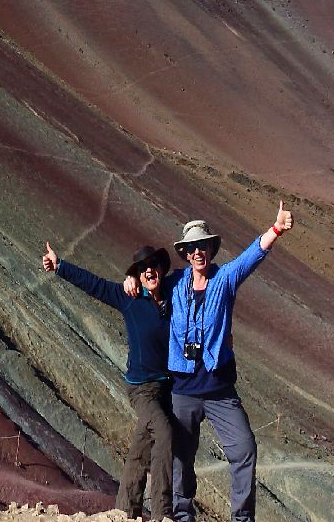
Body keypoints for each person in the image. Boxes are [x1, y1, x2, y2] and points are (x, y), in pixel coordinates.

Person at [138, 204, 292, 522]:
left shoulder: (225, 279)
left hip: (219, 387)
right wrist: (132, 284)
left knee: (244, 449)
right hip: (183, 389)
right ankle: (182, 515)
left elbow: (252, 256)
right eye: (192, 248)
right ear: (185, 253)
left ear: (211, 248)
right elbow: (147, 282)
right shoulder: (174, 283)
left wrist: (275, 229)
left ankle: (242, 518)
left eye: (203, 246)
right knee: (181, 457)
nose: (198, 252)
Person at [43, 241, 175, 519]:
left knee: (141, 448)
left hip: (167, 388)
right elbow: (96, 285)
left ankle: (125, 511)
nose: (149, 272)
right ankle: (163, 514)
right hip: (142, 389)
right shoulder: (130, 298)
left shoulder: (173, 296)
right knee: (163, 433)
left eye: (153, 266)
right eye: (142, 269)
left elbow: (196, 277)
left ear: (162, 269)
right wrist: (61, 266)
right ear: (137, 276)